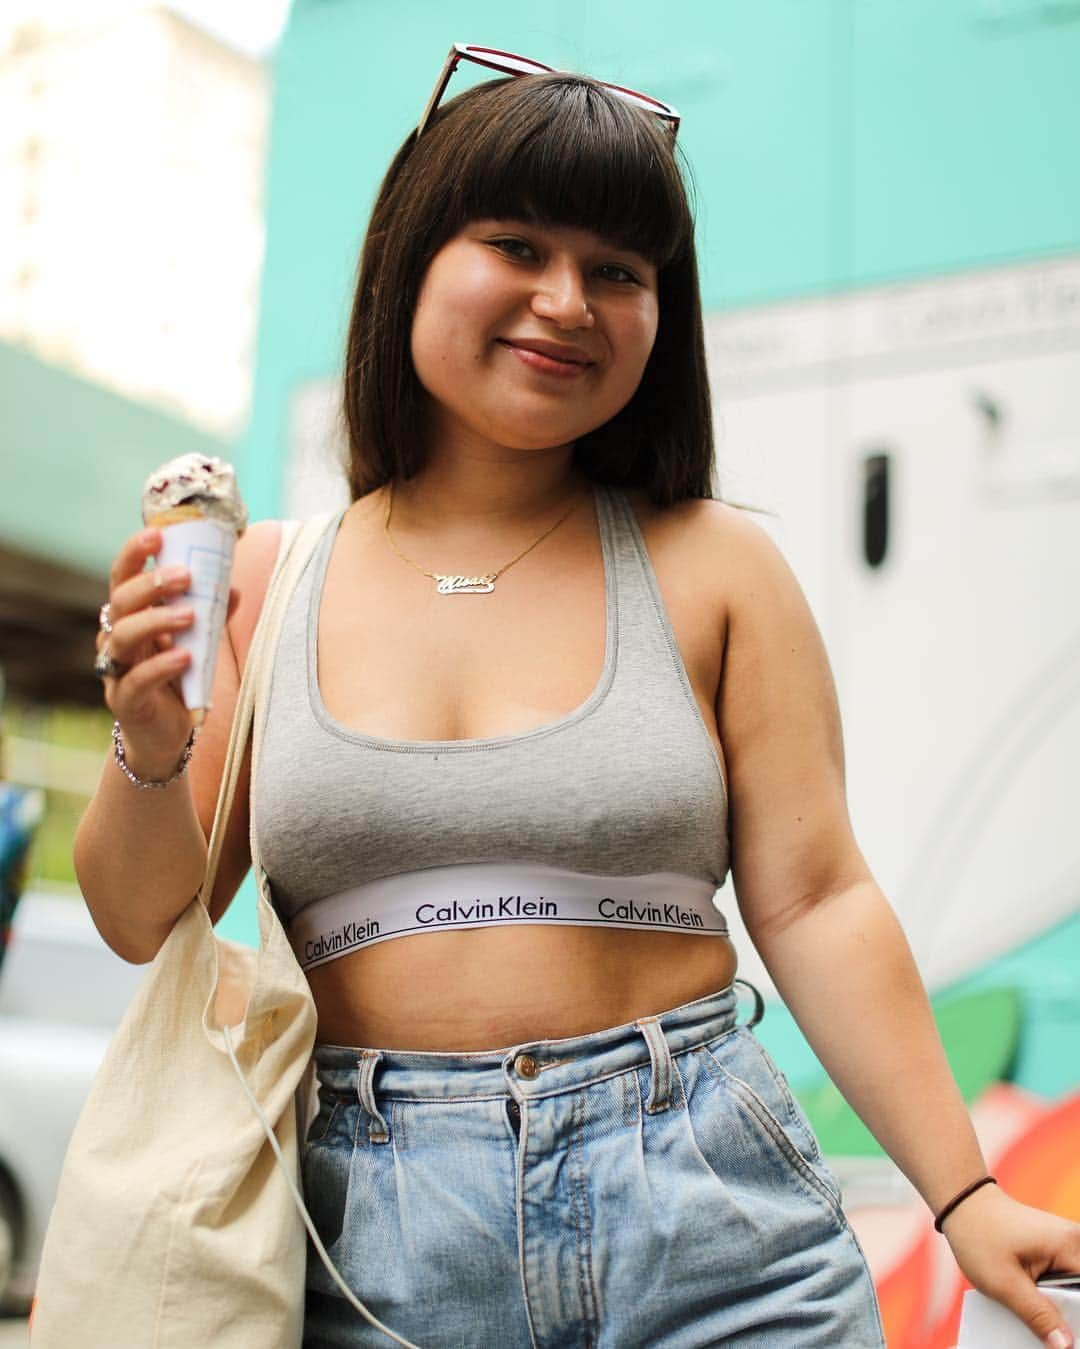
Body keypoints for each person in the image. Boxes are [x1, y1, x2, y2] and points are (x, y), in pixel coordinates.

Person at [76, 44, 1080, 1349]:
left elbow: (819, 897)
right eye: (518, 245)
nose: (570, 301)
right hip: (370, 1239)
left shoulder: (717, 564)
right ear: (412, 260)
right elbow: (142, 917)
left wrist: (966, 1195)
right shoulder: (267, 576)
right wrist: (148, 744)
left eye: (621, 271)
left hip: (716, 1211)